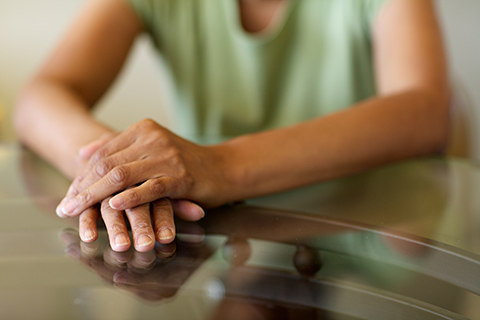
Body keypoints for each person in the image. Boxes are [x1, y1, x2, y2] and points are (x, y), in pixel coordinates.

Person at [14, 0, 450, 253]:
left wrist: (219, 166)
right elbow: (40, 98)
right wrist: (113, 172)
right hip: (216, 239)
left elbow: (425, 110)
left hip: (366, 242)